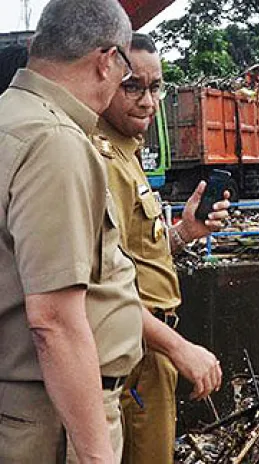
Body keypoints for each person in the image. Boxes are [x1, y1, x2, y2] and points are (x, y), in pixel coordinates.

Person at [0, 0, 140, 461]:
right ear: (106, 61)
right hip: (52, 418)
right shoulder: (54, 142)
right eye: (126, 68)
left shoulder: (10, 119)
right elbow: (54, 322)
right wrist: (97, 455)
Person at [99, 33, 227, 464]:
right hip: (134, 350)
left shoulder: (127, 152)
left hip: (150, 348)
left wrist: (183, 233)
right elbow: (99, 290)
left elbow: (135, 253)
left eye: (156, 88)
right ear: (106, 78)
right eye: (133, 86)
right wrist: (176, 346)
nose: (147, 101)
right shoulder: (100, 161)